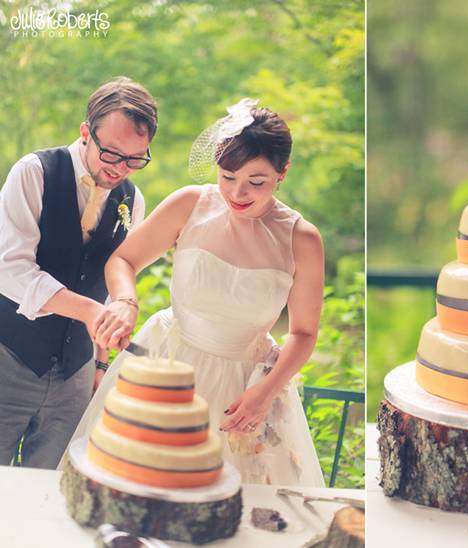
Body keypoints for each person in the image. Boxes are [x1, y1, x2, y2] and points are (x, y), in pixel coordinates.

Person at [68, 99, 325, 486]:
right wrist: (125, 300)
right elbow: (122, 261)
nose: (238, 193)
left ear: (282, 172)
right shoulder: (191, 204)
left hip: (245, 385)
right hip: (167, 363)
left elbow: (304, 333)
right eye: (227, 176)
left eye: (256, 182)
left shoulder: (301, 239)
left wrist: (265, 393)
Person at [0, 77, 153, 469]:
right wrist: (88, 311)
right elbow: (11, 269)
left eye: (136, 158)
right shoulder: (34, 172)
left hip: (76, 374)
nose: (122, 169)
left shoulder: (133, 201)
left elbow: (108, 286)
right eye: (113, 154)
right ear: (86, 133)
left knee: (51, 490)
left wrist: (100, 364)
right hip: (9, 358)